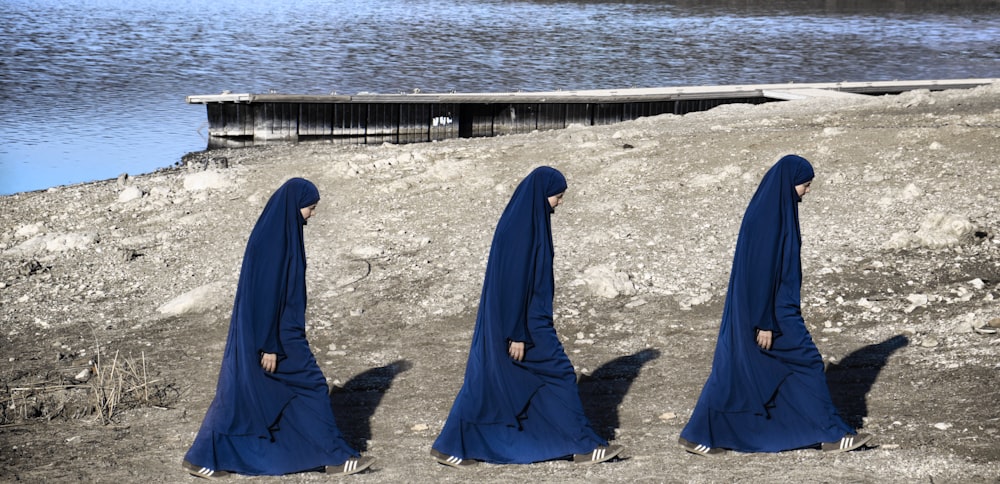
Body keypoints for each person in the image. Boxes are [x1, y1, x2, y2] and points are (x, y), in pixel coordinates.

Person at [678, 155, 872, 456]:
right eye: (805, 185)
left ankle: (698, 435)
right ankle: (832, 434)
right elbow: (761, 272)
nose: (806, 192)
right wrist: (765, 321)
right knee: (806, 363)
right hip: (774, 311)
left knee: (738, 369)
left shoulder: (774, 211)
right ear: (788, 183)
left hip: (773, 307)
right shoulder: (769, 218)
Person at [430, 166, 622, 468]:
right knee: (558, 374)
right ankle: (584, 446)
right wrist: (517, 332)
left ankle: (450, 446)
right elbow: (515, 282)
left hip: (526, 319)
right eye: (557, 196)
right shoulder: (522, 229)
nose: (559, 203)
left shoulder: (525, 221)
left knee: (489, 380)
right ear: (541, 195)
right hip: (527, 323)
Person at [182, 178, 374, 479]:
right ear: (294, 206)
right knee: (309, 387)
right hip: (279, 334)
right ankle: (336, 457)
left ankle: (202, 458)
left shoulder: (279, 231)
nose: (313, 214)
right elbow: (267, 294)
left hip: (279, 330)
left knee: (245, 392)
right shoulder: (275, 240)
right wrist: (270, 344)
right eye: (310, 208)